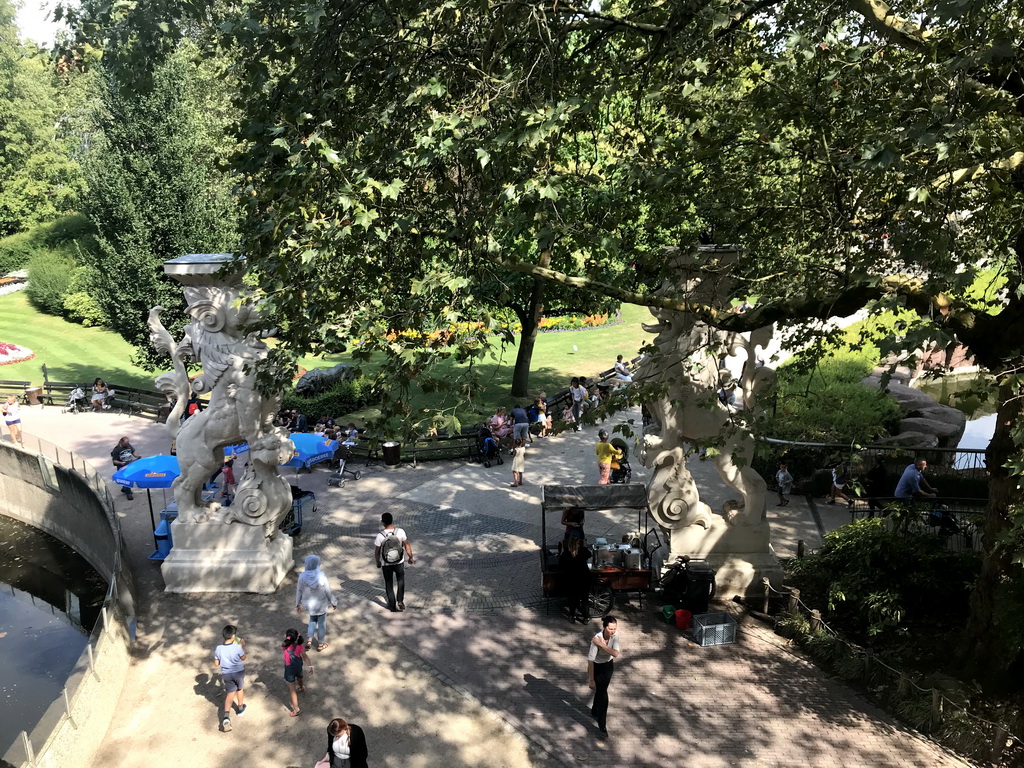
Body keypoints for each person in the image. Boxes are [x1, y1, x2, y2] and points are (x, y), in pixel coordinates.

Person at [587, 614, 621, 738]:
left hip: (608, 666)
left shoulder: (615, 636)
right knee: (603, 696)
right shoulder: (596, 639)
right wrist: (591, 680)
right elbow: (590, 661)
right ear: (604, 627)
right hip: (597, 667)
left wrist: (602, 645)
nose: (612, 631)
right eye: (610, 629)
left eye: (614, 629)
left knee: (602, 691)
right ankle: (602, 725)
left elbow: (616, 653)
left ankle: (595, 709)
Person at [295, 554, 338, 651]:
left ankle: (309, 640)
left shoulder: (302, 576)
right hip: (321, 604)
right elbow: (328, 590)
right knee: (322, 623)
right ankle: (320, 644)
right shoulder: (321, 576)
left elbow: (299, 591)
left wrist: (297, 603)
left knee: (312, 620)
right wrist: (333, 602)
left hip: (309, 605)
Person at [374, 512, 414, 612]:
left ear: (382, 522)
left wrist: (378, 562)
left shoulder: (380, 536)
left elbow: (377, 551)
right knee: (400, 580)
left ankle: (392, 605)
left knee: (388, 583)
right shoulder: (400, 532)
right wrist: (410, 557)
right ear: (392, 520)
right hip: (399, 562)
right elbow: (407, 545)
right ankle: (400, 601)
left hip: (386, 564)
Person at [213, 624, 247, 732]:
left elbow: (216, 663)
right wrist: (241, 646)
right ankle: (240, 708)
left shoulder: (218, 648)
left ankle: (226, 716)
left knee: (230, 693)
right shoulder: (237, 647)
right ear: (233, 636)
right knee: (239, 689)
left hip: (227, 674)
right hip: (238, 672)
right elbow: (244, 658)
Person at [561, 533, 591, 623]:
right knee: (585, 598)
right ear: (579, 543)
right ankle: (586, 617)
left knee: (572, 598)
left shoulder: (566, 553)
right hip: (584, 579)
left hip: (571, 580)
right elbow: (589, 554)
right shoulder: (583, 550)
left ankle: (573, 616)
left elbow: (561, 565)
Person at [281, 628, 308, 717]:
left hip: (289, 669)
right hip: (298, 666)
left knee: (292, 689)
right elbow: (305, 656)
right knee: (300, 677)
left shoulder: (284, 646)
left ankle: (296, 709)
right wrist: (310, 665)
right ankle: (301, 687)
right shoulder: (299, 646)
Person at [110, 436, 139, 501]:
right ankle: (128, 493)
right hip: (122, 467)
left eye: (127, 443)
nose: (127, 445)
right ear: (121, 442)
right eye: (125, 444)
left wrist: (137, 456)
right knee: (126, 479)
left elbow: (133, 452)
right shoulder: (116, 450)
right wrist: (121, 463)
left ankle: (124, 488)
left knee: (130, 477)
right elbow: (114, 460)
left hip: (130, 464)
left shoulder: (128, 445)